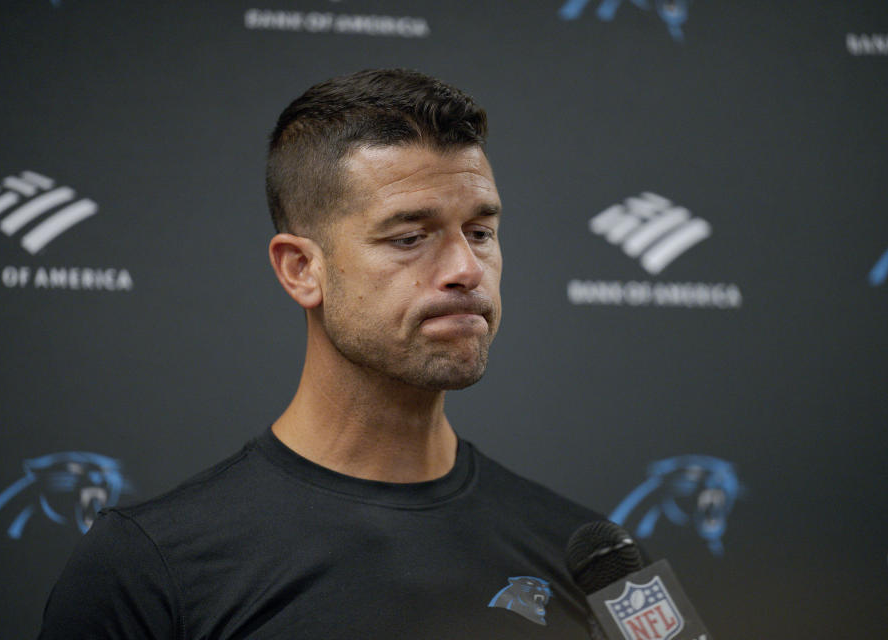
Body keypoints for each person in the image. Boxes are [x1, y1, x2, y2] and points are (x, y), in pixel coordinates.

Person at [38, 68, 606, 639]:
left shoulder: (590, 557)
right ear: (301, 269)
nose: (466, 269)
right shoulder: (148, 568)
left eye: (480, 231)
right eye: (410, 237)